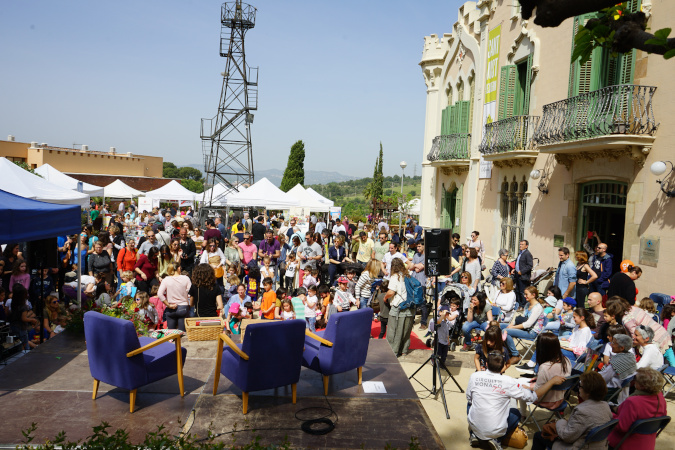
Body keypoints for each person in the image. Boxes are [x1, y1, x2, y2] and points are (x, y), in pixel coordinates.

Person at [467, 351, 566, 449]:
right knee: (516, 413)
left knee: (470, 403)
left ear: (487, 364)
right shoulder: (508, 381)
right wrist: (551, 382)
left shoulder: (474, 376)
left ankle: (474, 434)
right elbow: (533, 397)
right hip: (496, 430)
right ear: (503, 367)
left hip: (475, 427)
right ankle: (497, 439)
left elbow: (469, 398)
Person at [531, 371, 612, 450]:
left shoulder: (582, 411)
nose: (578, 388)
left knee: (538, 436)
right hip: (599, 446)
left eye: (580, 386)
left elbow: (567, 437)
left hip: (580, 446)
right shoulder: (605, 406)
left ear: (588, 392)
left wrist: (560, 422)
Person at [608, 367, 667, 449]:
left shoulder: (633, 402)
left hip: (624, 443)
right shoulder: (660, 398)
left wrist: (609, 415)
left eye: (635, 379)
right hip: (647, 443)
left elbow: (621, 427)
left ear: (642, 385)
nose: (633, 381)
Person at [518, 333, 572, 415]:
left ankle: (522, 415)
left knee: (518, 386)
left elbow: (537, 391)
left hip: (546, 400)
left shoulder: (545, 367)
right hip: (560, 399)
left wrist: (528, 387)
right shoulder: (567, 360)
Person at [504, 286, 545, 365]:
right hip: (525, 329)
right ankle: (507, 351)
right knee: (501, 326)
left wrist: (512, 327)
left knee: (506, 331)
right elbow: (521, 319)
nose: (524, 296)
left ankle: (515, 355)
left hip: (532, 332)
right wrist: (511, 324)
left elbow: (528, 324)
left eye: (526, 294)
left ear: (533, 295)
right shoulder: (527, 305)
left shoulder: (538, 308)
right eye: (524, 294)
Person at [385, 259, 414, 357]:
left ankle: (393, 351)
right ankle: (404, 350)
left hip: (398, 306)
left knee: (394, 330)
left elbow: (391, 292)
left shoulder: (395, 277)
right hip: (410, 306)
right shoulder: (408, 275)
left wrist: (385, 298)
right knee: (406, 330)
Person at [158, 262, 191, 331]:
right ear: (178, 268)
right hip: (183, 306)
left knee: (171, 334)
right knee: (182, 333)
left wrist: (168, 305)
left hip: (171, 307)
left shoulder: (166, 279)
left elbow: (160, 294)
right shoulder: (186, 278)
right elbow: (190, 293)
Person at [511, 240, 533, 309]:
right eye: (520, 244)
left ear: (526, 246)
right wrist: (514, 269)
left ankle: (523, 305)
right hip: (517, 275)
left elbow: (530, 265)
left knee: (522, 291)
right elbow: (518, 263)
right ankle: (518, 304)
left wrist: (522, 271)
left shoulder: (527, 254)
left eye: (522, 244)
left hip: (523, 276)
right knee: (517, 290)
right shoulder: (520, 253)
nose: (520, 246)